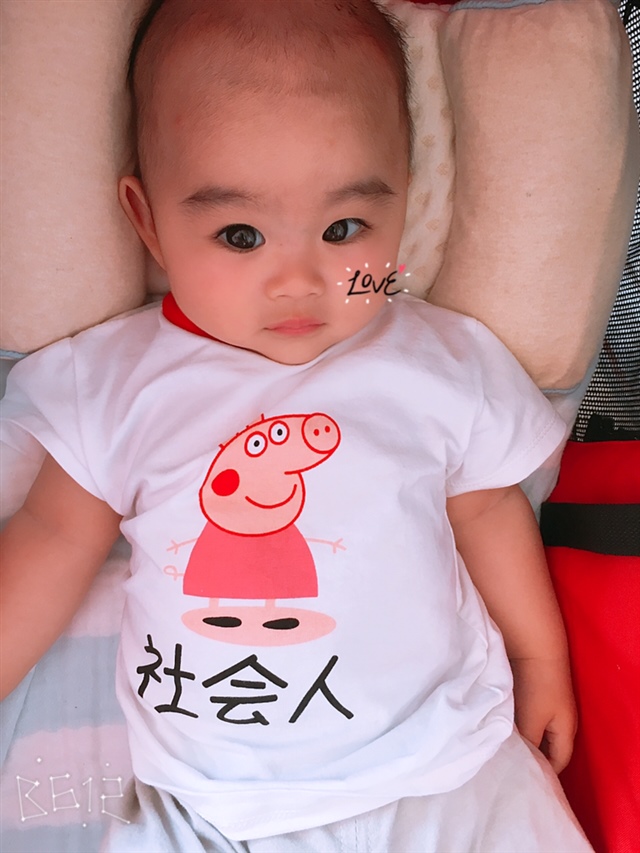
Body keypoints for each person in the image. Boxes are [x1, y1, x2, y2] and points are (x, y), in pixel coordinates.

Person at [0, 1, 592, 850]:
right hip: (210, 801)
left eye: (344, 229)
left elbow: (491, 508)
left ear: (405, 198)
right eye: (240, 234)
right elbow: (55, 537)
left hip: (446, 764)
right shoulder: (117, 382)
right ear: (148, 220)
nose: (299, 281)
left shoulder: (438, 360)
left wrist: (539, 658)